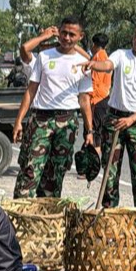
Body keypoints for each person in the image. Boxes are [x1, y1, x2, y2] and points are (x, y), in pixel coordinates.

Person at [12, 16, 94, 198]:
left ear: (80, 36)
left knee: (56, 172)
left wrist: (89, 131)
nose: (66, 38)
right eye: (63, 33)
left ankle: (48, 212)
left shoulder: (84, 63)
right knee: (30, 168)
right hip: (41, 119)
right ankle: (20, 210)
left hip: (67, 121)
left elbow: (84, 100)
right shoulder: (44, 56)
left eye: (72, 34)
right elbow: (31, 90)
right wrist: (19, 121)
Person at [83, 20, 136, 208]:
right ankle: (109, 214)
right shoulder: (121, 55)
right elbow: (108, 65)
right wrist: (93, 64)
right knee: (109, 174)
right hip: (114, 120)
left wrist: (132, 119)